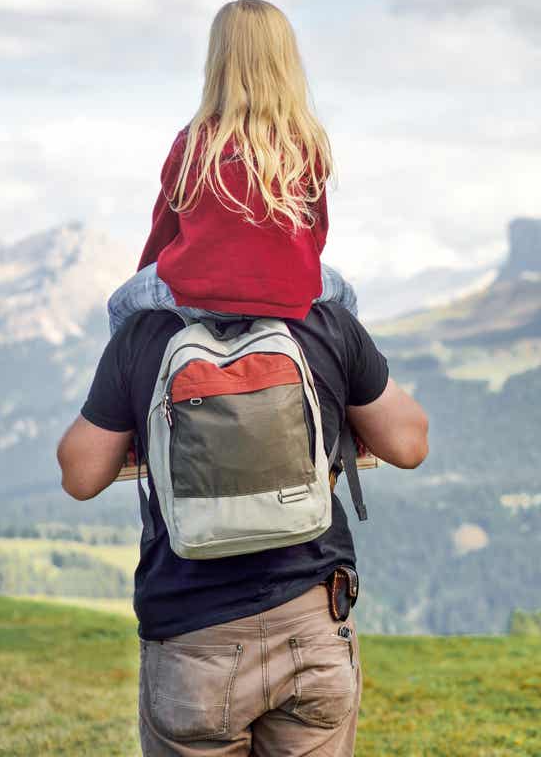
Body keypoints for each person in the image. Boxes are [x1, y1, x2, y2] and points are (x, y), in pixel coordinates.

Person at [57, 302, 428, 754]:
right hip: (312, 623)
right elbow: (410, 444)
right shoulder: (324, 323)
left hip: (192, 636)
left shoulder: (143, 335)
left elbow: (80, 477)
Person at [107, 0, 357, 335]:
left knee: (119, 305)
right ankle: (354, 382)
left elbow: (162, 235)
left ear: (218, 62)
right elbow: (317, 235)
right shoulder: (305, 143)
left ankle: (130, 387)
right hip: (288, 292)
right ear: (286, 62)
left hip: (198, 293)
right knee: (347, 297)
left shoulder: (194, 141)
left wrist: (150, 277)